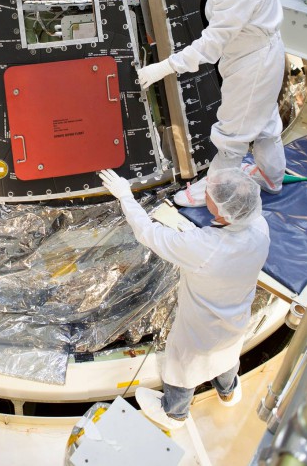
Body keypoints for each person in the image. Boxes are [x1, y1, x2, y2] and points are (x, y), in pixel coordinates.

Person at [99, 167, 270, 429]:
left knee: (183, 370)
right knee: (227, 361)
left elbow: (148, 233)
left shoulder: (201, 247)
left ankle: (174, 414)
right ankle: (228, 392)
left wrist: (125, 196)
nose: (207, 192)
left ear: (223, 211)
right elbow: (219, 246)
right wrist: (191, 235)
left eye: (211, 193)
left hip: (198, 334)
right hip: (235, 322)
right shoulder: (259, 227)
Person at [136, 0, 285, 207]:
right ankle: (271, 177)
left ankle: (214, 192)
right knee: (265, 122)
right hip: (260, 53)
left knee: (232, 134)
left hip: (253, 65)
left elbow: (211, 45)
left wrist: (164, 67)